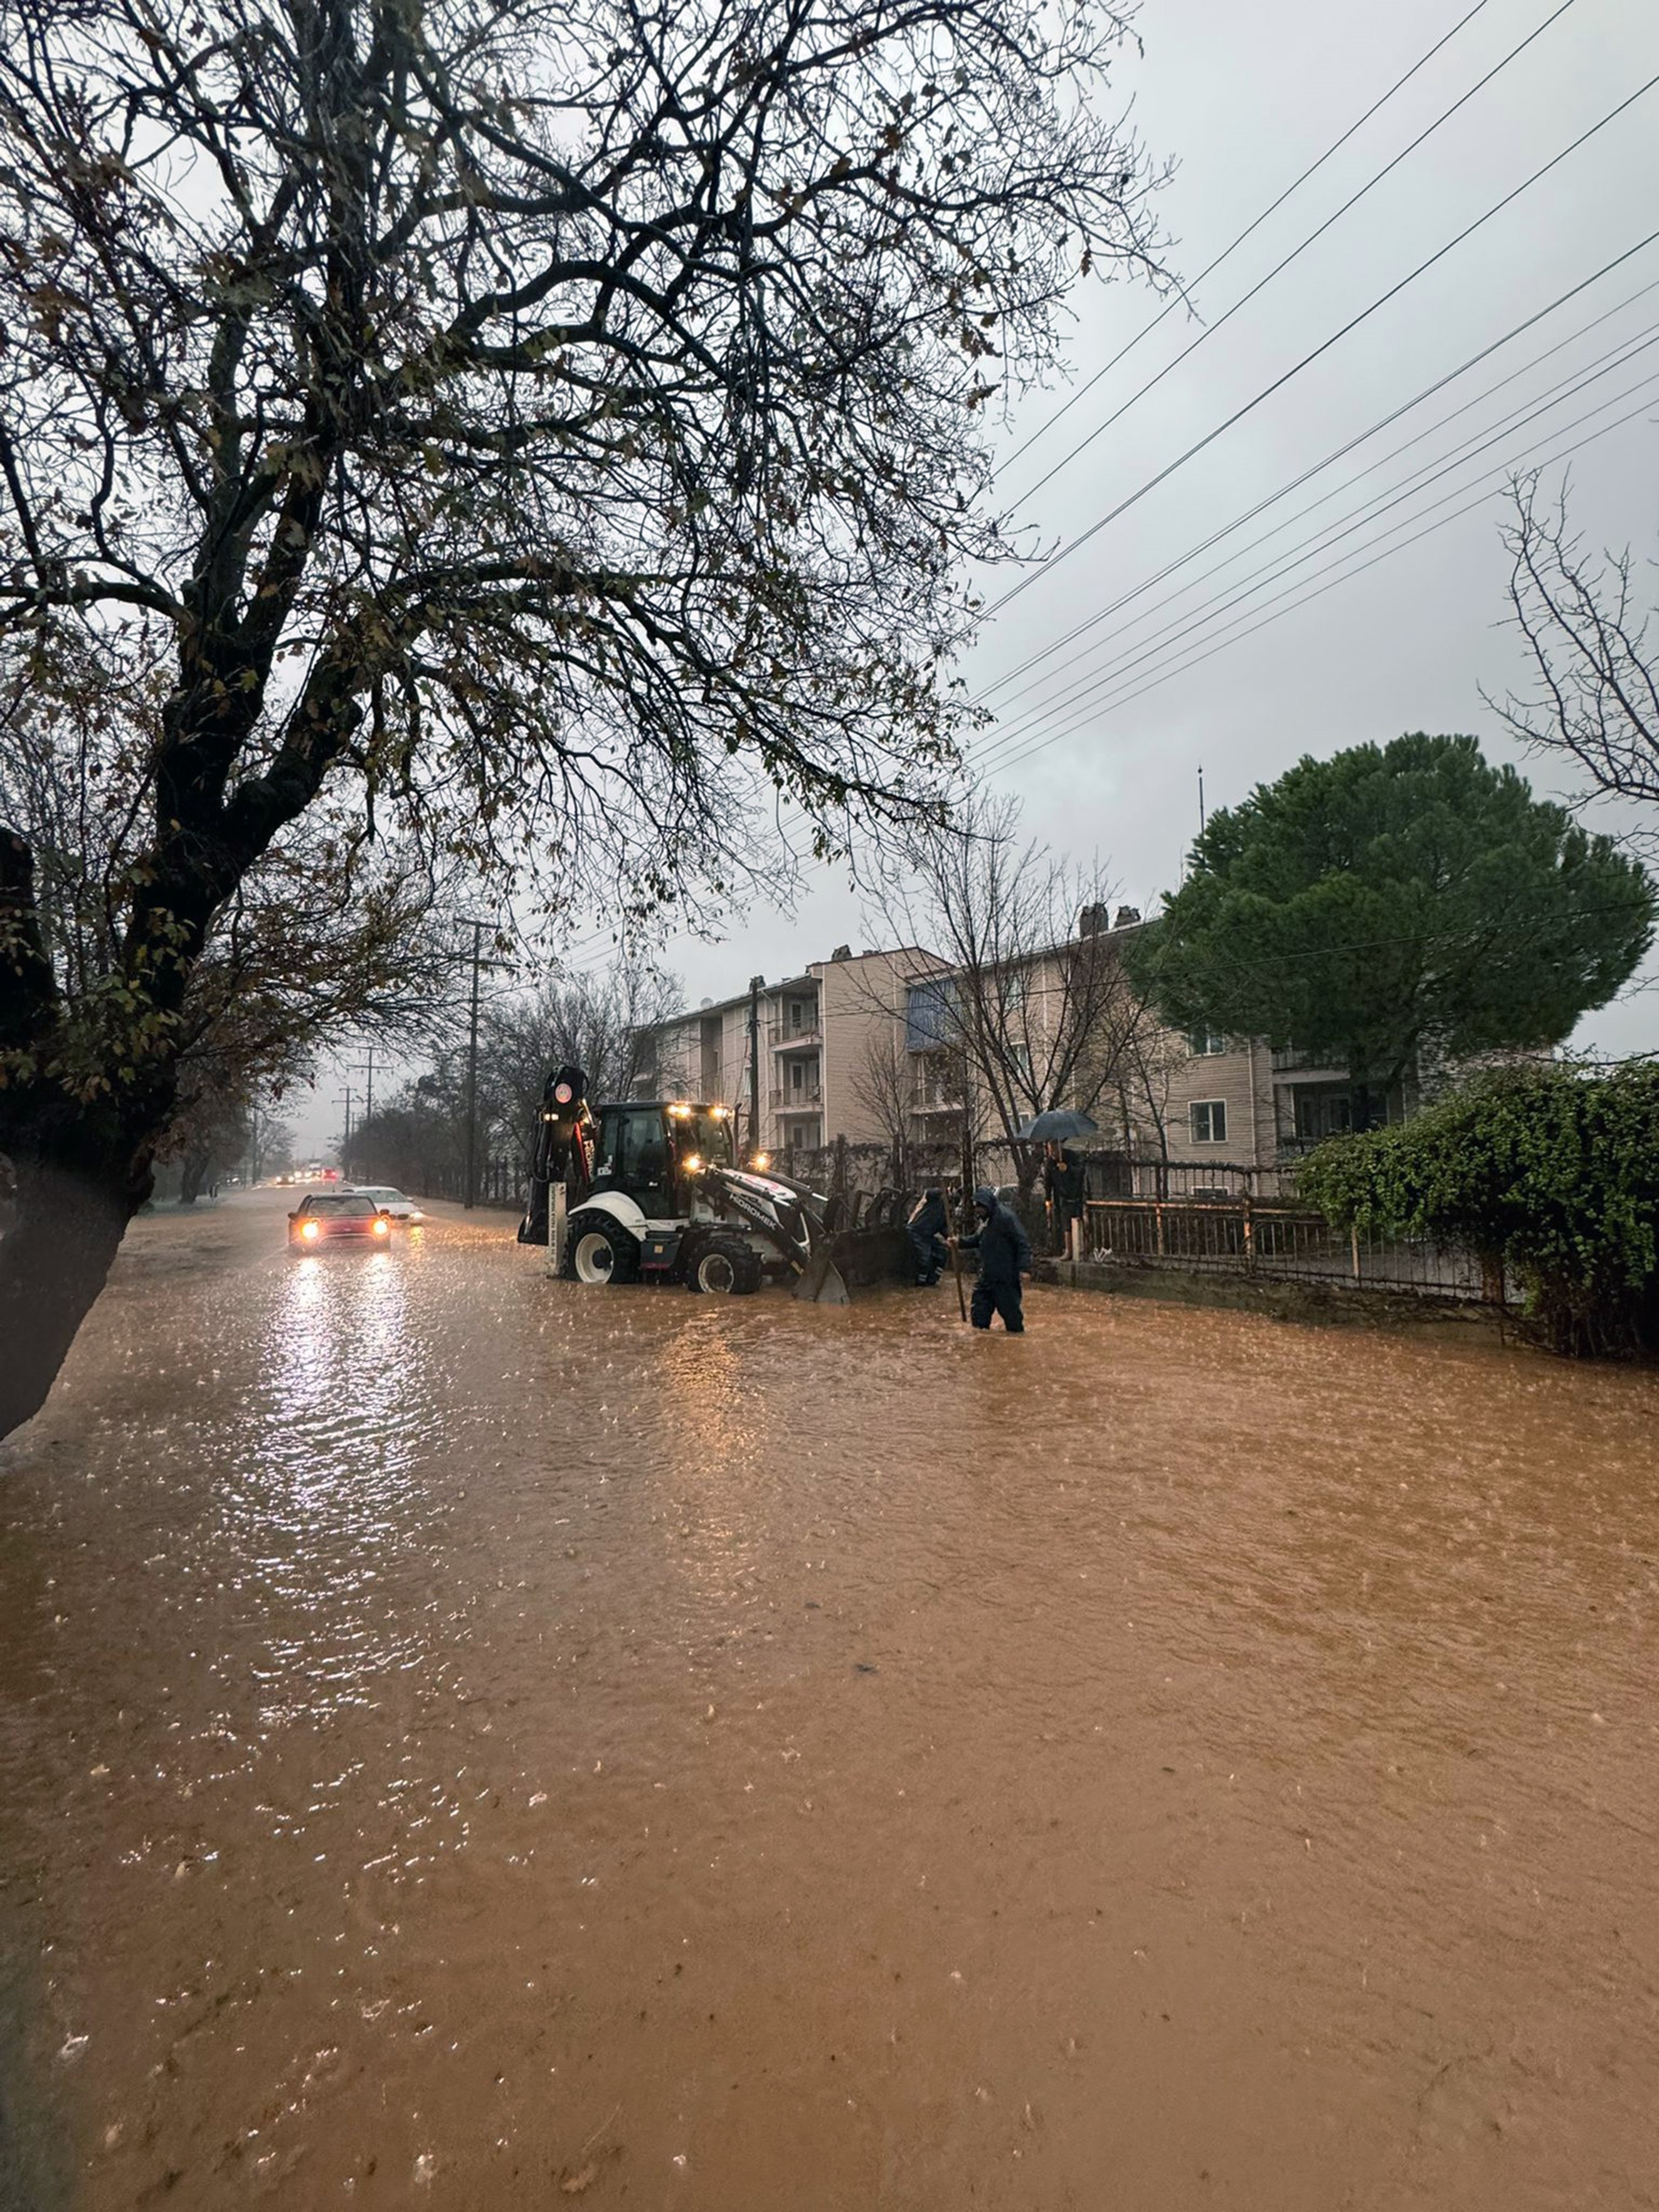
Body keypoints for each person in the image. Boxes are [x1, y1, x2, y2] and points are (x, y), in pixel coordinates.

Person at [954, 1183, 1032, 1333]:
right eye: (976, 1206)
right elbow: (978, 1239)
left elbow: (1022, 1243)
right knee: (979, 1318)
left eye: (980, 1206)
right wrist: (959, 1242)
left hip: (1005, 1279)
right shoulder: (986, 1221)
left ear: (987, 1205)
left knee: (1013, 1320)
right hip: (987, 1277)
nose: (977, 1210)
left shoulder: (1006, 1218)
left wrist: (1024, 1269)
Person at [906, 1187, 949, 1286]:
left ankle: (933, 1280)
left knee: (943, 1253)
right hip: (917, 1233)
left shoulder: (943, 1211)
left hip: (928, 1237)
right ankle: (921, 1283)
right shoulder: (931, 1205)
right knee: (925, 1258)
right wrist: (941, 1192)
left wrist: (950, 1238)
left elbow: (942, 1228)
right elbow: (930, 1193)